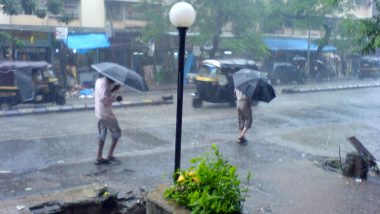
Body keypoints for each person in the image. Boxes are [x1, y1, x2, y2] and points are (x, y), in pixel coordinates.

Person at [94, 75, 123, 164]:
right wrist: (116, 99)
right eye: (114, 79)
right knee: (117, 132)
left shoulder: (99, 81)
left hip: (99, 112)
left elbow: (102, 93)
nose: (114, 81)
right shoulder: (106, 84)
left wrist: (114, 89)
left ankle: (99, 156)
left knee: (102, 134)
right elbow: (105, 101)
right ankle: (110, 154)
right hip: (106, 115)